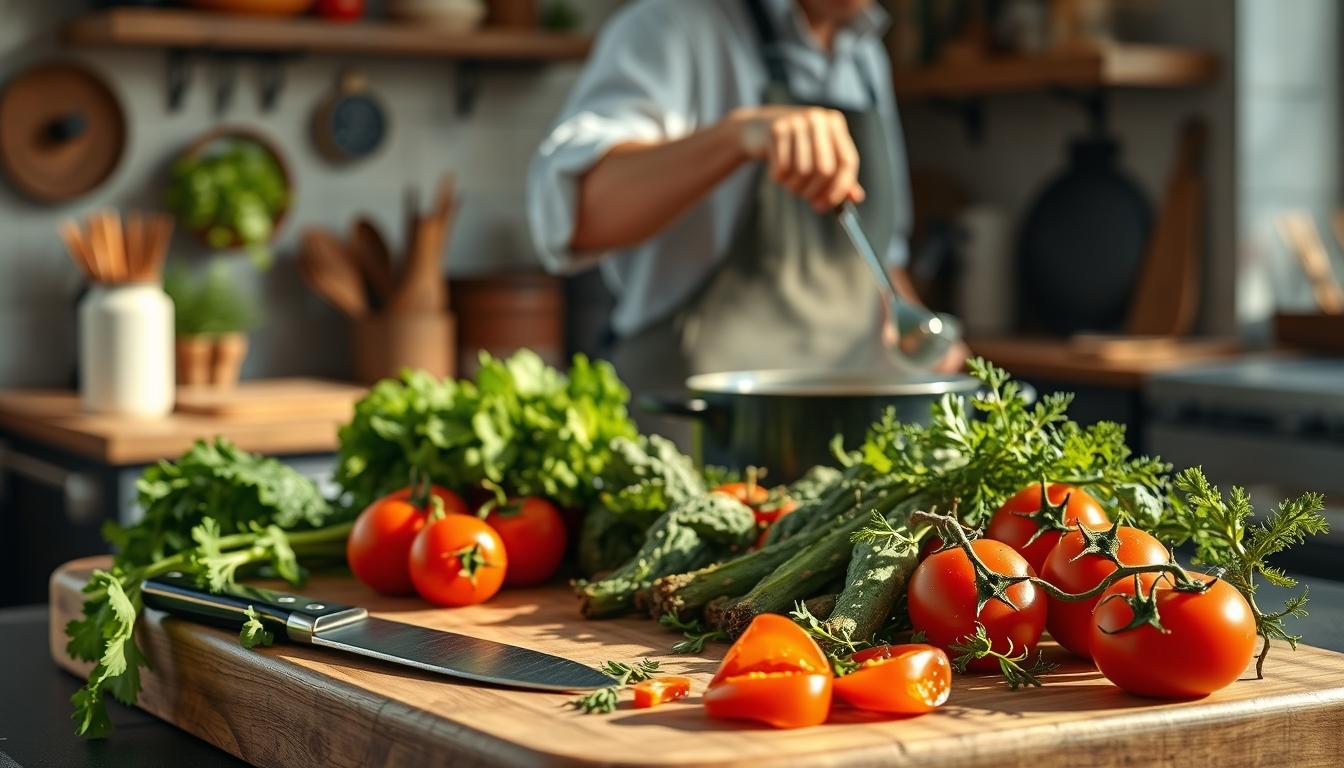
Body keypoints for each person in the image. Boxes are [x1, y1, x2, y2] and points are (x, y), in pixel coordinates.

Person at [527, 0, 968, 416]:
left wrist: (915, 329)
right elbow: (571, 213)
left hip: (841, 431)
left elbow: (880, 252)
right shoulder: (673, 26)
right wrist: (737, 136)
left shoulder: (866, 56)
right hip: (697, 433)